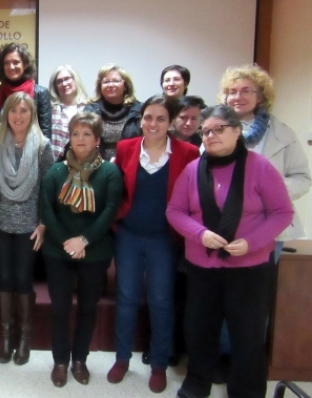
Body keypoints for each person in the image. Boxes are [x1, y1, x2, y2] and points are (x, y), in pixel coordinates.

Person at [167, 105, 294, 398]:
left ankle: (246, 391)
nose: (210, 136)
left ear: (237, 131)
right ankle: (197, 383)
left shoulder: (260, 166)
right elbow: (175, 211)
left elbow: (281, 212)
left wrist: (252, 242)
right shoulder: (192, 170)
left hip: (249, 268)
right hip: (202, 266)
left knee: (247, 335)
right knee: (199, 329)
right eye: (206, 131)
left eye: (218, 129)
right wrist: (199, 234)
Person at [107, 95, 199, 393]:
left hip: (165, 239)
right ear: (140, 119)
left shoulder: (188, 153)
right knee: (127, 298)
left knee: (161, 301)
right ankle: (122, 359)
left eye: (161, 118)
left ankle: (158, 364)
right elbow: (116, 190)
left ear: (171, 122)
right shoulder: (125, 148)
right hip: (129, 236)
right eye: (148, 117)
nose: (153, 124)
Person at [40, 112, 123, 387]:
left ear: (97, 139)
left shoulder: (109, 172)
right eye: (75, 133)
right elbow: (46, 209)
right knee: (60, 308)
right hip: (58, 249)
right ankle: (61, 361)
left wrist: (84, 240)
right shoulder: (57, 171)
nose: (80, 139)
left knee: (89, 307)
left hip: (95, 250)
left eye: (87, 134)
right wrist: (68, 242)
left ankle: (80, 359)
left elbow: (110, 211)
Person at [219, 64, 310, 262]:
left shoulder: (282, 134)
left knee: (260, 289)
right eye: (232, 92)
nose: (237, 97)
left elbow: (302, 178)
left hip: (268, 226)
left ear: (260, 97)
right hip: (224, 223)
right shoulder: (213, 129)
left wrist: (269, 190)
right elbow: (202, 175)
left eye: (246, 91)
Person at [0, 92, 55, 366]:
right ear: (6, 114)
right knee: (4, 279)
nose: (18, 116)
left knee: (23, 279)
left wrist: (43, 224)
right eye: (13, 111)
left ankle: (25, 339)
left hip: (30, 225)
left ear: (32, 115)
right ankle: (7, 338)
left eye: (24, 111)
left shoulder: (43, 145)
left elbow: (49, 190)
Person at [0, 43, 52, 138]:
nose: (11, 67)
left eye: (16, 62)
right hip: (0, 150)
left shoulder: (40, 93)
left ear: (25, 65)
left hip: (31, 151)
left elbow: (45, 133)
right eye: (6, 63)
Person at [84, 64, 141, 160]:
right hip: (97, 167)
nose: (110, 85)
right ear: (100, 86)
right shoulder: (90, 111)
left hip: (130, 165)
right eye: (106, 81)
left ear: (125, 85)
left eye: (115, 81)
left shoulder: (139, 111)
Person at [48, 65, 91, 160]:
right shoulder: (50, 111)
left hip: (84, 165)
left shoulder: (89, 108)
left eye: (67, 79)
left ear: (75, 80)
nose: (64, 83)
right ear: (55, 87)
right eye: (59, 81)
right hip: (56, 166)